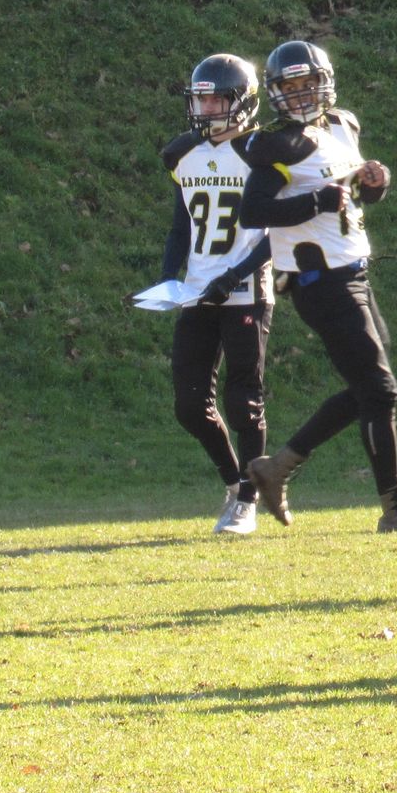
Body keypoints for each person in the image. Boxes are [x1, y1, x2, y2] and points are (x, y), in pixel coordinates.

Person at [241, 41, 397, 533]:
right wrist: (314, 203)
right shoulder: (277, 144)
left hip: (354, 271)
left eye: (308, 83)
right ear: (275, 92)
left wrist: (375, 182)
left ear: (325, 82)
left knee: (367, 387)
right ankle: (394, 511)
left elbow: (355, 196)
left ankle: (277, 467)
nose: (300, 94)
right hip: (319, 280)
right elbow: (253, 211)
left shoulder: (341, 124)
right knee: (380, 390)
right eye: (290, 86)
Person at [158, 53, 274, 537]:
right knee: (189, 404)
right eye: (200, 100)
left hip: (246, 291)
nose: (205, 109)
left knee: (244, 400)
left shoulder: (262, 153)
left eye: (215, 100)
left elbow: (277, 232)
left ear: (242, 102)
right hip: (199, 292)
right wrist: (169, 276)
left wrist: (237, 273)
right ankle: (234, 482)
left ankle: (249, 499)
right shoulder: (184, 154)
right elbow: (182, 222)